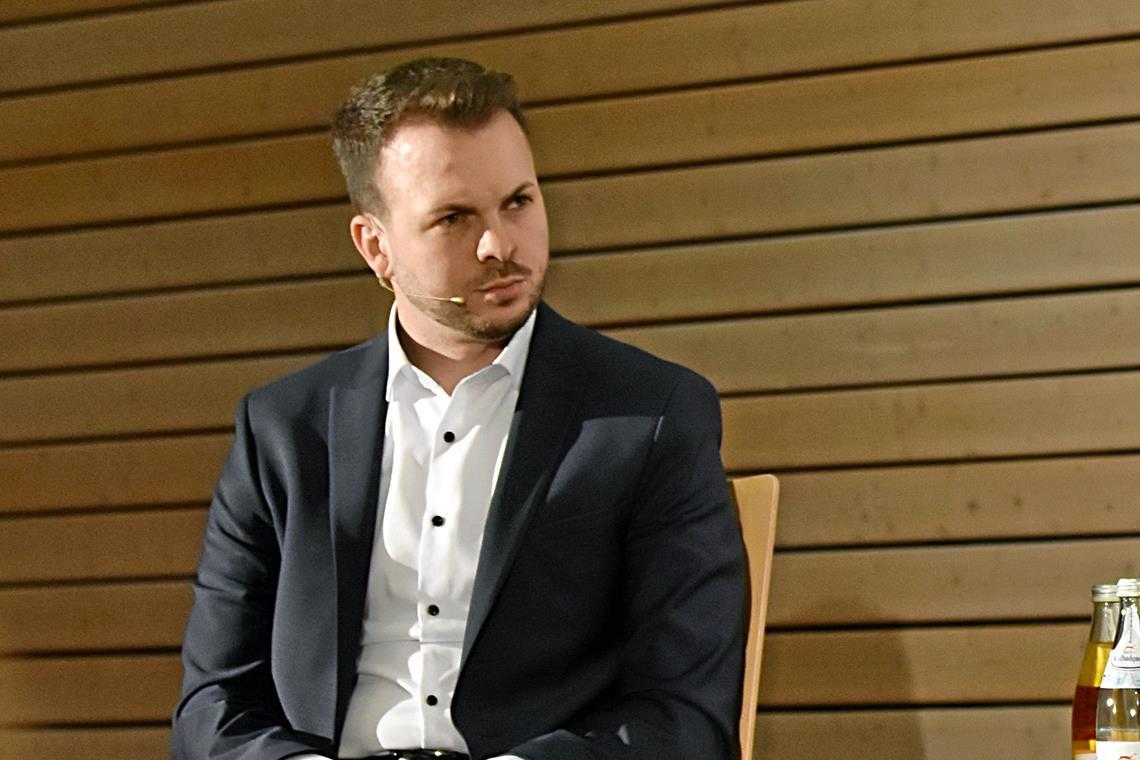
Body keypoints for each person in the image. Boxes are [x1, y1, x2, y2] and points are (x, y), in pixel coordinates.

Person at [172, 57, 747, 760]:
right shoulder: (282, 431)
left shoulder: (653, 414)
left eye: (518, 202)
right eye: (453, 217)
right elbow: (212, 710)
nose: (499, 245)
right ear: (375, 247)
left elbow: (686, 716)